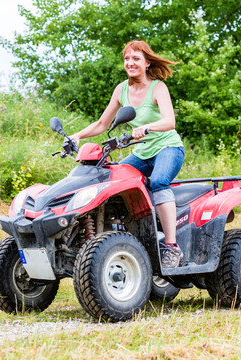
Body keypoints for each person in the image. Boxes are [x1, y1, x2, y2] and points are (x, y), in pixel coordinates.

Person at [70, 40, 185, 268]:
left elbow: (169, 122)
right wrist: (77, 136)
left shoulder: (158, 88)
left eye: (136, 59)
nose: (130, 63)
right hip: (143, 152)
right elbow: (103, 123)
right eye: (126, 59)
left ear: (147, 63)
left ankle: (172, 247)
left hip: (168, 148)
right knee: (113, 180)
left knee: (160, 182)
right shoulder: (121, 89)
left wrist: (148, 128)